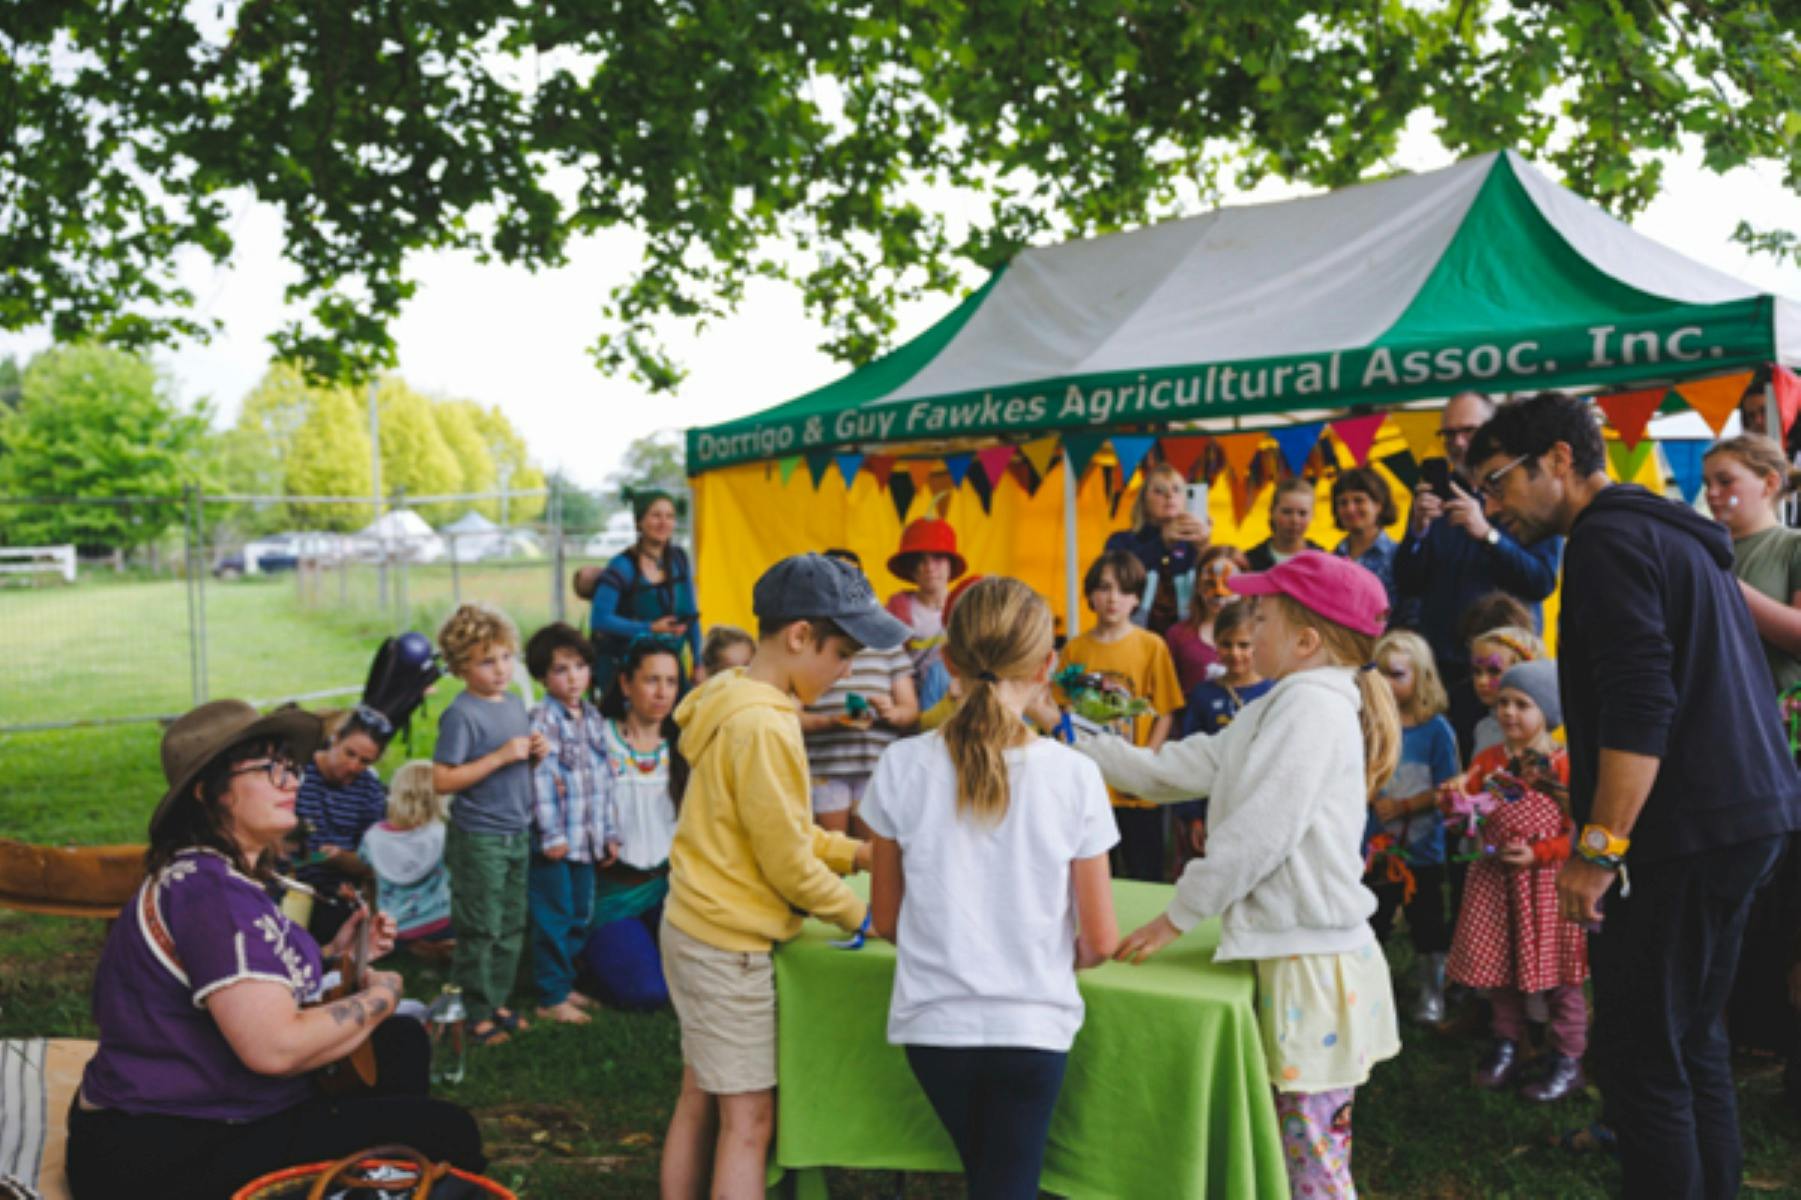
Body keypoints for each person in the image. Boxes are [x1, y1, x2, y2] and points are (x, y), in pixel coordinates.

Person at [1467, 390, 1801, 1198]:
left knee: (1639, 1058)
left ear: (1556, 458)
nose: (1490, 506)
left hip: (1687, 828)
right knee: (1690, 1045)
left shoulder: (1608, 539)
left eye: (1497, 481)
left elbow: (1640, 706)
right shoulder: (1661, 527)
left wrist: (1595, 848)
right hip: (1748, 815)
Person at [1074, 551, 1401, 1198]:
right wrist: (1082, 752)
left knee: (1310, 1155)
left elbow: (1259, 831)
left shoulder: (1309, 710)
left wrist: (1177, 915)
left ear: (1305, 640)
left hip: (1311, 962)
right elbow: (1188, 766)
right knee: (1290, 1141)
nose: (1248, 625)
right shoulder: (1285, 701)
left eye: (1262, 613)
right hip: (1297, 951)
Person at [67, 700, 482, 1199]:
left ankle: (376, 1184)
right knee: (446, 1132)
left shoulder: (214, 876)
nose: (292, 782)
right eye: (268, 769)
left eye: (290, 767)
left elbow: (249, 984)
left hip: (181, 1118)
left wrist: (335, 957)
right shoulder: (209, 891)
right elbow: (275, 1047)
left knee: (400, 1045)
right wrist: (381, 996)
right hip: (164, 1149)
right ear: (208, 793)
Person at [862, 577, 1119, 1198]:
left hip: (934, 1029)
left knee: (992, 1176)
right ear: (1046, 665)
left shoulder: (901, 766)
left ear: (947, 659)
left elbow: (887, 920)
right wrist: (1058, 959)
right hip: (1031, 1026)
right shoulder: (1076, 777)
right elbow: (1101, 940)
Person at [658, 553, 903, 1199]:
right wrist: (867, 917)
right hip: (726, 945)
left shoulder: (727, 694)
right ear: (799, 636)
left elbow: (773, 830)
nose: (848, 669)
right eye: (842, 652)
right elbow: (788, 864)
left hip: (694, 924)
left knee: (699, 1096)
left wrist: (857, 854)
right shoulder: (767, 724)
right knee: (749, 1121)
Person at [1441, 660, 1586, 1102]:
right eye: (1503, 702)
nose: (1508, 712)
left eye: (1522, 704)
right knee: (1498, 969)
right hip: (1495, 881)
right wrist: (1456, 801)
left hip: (1547, 886)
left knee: (1561, 976)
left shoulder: (1561, 765)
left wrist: (1540, 853)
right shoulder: (1491, 761)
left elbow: (1576, 832)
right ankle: (1507, 1042)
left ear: (1548, 711)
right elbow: (1466, 797)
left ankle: (1567, 1057)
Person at [1702, 434, 1801, 1076]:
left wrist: (1732, 593)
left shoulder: (1791, 548)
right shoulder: (1704, 550)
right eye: (1707, 482)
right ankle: (1726, 1027)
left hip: (1778, 745)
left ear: (1769, 482)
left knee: (1779, 895)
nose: (1712, 494)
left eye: (1726, 479)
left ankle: (1770, 1036)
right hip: (1713, 743)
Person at [1395, 392, 1561, 756]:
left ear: (1495, 432)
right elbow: (1407, 583)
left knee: (1507, 783)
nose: (1458, 442)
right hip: (1443, 669)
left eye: (1469, 431)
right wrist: (1418, 532)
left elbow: (1541, 581)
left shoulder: (1527, 491)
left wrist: (1488, 533)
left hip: (1507, 672)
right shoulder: (1433, 495)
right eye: (1449, 434)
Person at [434, 601, 547, 1047]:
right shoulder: (461, 714)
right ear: (461, 667)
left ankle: (497, 1000)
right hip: (479, 837)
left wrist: (534, 754)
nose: (500, 669)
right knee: (480, 927)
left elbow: (517, 767)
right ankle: (472, 1012)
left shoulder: (515, 704)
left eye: (505, 657)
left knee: (510, 923)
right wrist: (500, 756)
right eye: (486, 661)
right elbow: (443, 779)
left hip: (516, 830)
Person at [1060, 549, 1184, 882]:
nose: (1113, 598)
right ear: (1090, 595)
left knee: (1146, 870)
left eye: (1124, 589)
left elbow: (1166, 710)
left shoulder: (1151, 646)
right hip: (1091, 781)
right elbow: (1063, 711)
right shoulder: (1075, 649)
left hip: (1137, 787)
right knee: (1095, 872)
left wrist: (1147, 759)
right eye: (1103, 588)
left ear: (1136, 599)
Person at [584, 634, 690, 1010]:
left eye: (671, 681)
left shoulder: (685, 744)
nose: (662, 692)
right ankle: (590, 955)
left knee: (701, 979)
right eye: (651, 680)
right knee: (648, 994)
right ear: (626, 683)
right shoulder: (595, 737)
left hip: (670, 888)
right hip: (612, 890)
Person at [1364, 629, 1460, 1024]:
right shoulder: (1370, 724)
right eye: (1379, 674)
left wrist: (1405, 806)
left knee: (1427, 922)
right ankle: (1367, 990)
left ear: (1421, 678)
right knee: (1373, 919)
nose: (1386, 683)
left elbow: (1450, 788)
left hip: (1422, 850)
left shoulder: (1437, 730)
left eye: (1397, 674)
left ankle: (1431, 988)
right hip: (1375, 849)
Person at [525, 623, 619, 1026]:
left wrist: (610, 834)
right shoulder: (542, 721)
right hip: (557, 841)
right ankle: (550, 994)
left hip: (587, 838)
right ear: (543, 677)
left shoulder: (594, 718)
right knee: (554, 916)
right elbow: (541, 781)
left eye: (580, 666)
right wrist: (552, 835)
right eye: (561, 670)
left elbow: (606, 781)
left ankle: (564, 984)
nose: (573, 677)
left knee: (580, 913)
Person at [801, 549, 920, 835]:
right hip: (824, 767)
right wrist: (831, 721)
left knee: (870, 857)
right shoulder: (809, 642)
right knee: (830, 855)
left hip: (876, 767)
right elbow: (789, 714)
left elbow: (911, 710)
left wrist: (892, 713)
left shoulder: (887, 643)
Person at [1169, 600, 1272, 866]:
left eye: (1244, 645)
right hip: (1213, 810)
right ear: (1215, 643)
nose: (1235, 653)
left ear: (1258, 643)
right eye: (1226, 644)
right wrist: (1193, 816)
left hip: (1260, 810)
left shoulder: (1274, 693)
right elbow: (1189, 756)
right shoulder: (1203, 694)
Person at [294, 703, 393, 943]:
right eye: (349, 753)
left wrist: (343, 859)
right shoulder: (298, 774)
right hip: (291, 883)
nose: (354, 766)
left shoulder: (369, 789)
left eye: (365, 761)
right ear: (334, 739)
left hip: (338, 895)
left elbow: (376, 863)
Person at [588, 489, 701, 695]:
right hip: (627, 670)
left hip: (670, 668)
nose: (663, 522)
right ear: (639, 522)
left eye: (669, 516)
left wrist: (699, 662)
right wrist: (650, 628)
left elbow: (691, 615)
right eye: (656, 515)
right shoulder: (622, 566)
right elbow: (599, 619)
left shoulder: (679, 560)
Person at [1105, 462, 1212, 635]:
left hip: (1185, 639)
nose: (1170, 495)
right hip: (1133, 636)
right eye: (1159, 491)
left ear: (1186, 499)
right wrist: (1162, 543)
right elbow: (1119, 577)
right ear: (1144, 501)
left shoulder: (1194, 543)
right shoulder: (1121, 541)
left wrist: (1205, 549)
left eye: (1177, 490)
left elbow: (1215, 594)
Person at [358, 760, 453, 951]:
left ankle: (412, 945)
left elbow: (365, 874)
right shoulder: (442, 835)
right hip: (442, 923)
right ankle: (432, 946)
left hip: (394, 928)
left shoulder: (373, 837)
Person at [885, 517, 967, 709]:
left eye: (937, 558)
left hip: (953, 702)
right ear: (910, 568)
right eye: (920, 560)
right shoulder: (896, 611)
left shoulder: (966, 608)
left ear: (950, 564)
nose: (929, 567)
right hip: (906, 705)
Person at [1165, 546, 1250, 693]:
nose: (1218, 592)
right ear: (1198, 585)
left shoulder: (1259, 633)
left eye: (1227, 583)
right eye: (1209, 584)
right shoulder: (1178, 635)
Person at [1466, 625, 1545, 756]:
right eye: (1477, 671)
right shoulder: (1483, 727)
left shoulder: (1530, 733)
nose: (1482, 681)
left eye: (1494, 671)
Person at [1331, 467, 1400, 614]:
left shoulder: (1399, 556)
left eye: (1359, 500)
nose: (1350, 509)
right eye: (1343, 503)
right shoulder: (1332, 559)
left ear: (1378, 505)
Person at [1245, 477, 1324, 571]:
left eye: (1302, 513)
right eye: (1287, 512)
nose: (1295, 520)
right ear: (1272, 512)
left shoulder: (1322, 559)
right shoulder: (1251, 560)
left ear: (1312, 516)